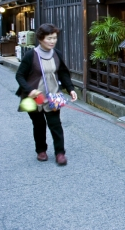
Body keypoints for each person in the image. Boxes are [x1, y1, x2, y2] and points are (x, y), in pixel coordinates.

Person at [15, 23, 78, 166]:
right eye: (49, 38)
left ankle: (60, 153)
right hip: (34, 98)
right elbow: (19, 75)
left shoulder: (57, 54)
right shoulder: (31, 55)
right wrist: (30, 90)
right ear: (41, 39)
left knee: (55, 125)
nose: (52, 41)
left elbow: (63, 73)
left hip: (53, 96)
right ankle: (41, 150)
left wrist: (71, 89)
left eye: (54, 38)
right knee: (39, 125)